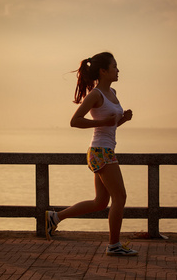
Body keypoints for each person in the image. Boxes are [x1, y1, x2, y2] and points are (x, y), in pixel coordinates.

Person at [46, 52, 138, 256]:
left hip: (105, 149)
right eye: (114, 66)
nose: (118, 70)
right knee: (120, 197)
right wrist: (102, 122)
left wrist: (123, 120)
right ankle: (114, 245)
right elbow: (75, 120)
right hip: (100, 151)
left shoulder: (112, 92)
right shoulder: (96, 95)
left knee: (100, 202)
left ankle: (55, 217)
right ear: (103, 71)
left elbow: (110, 126)